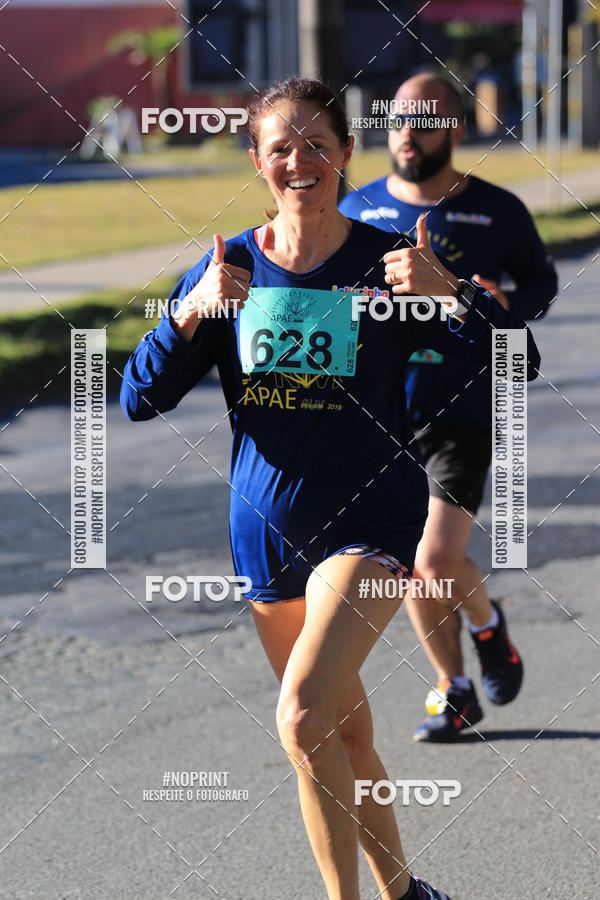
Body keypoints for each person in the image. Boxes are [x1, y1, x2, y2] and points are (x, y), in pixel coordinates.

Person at [121, 77, 540, 900]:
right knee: (341, 739)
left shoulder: (388, 268)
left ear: (348, 152)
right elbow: (140, 397)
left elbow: (518, 363)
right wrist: (188, 317)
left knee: (300, 718)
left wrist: (449, 297)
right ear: (257, 162)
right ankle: (406, 893)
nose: (299, 160)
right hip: (265, 538)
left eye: (316, 142)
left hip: (371, 525)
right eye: (280, 146)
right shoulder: (229, 268)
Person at [340, 73, 557, 743]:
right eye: (398, 120)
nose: (408, 132)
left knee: (431, 562)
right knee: (421, 559)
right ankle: (463, 676)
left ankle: (470, 655)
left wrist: (496, 302)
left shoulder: (496, 208)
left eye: (425, 120)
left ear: (455, 129)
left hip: (460, 408)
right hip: (381, 414)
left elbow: (541, 283)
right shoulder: (360, 207)